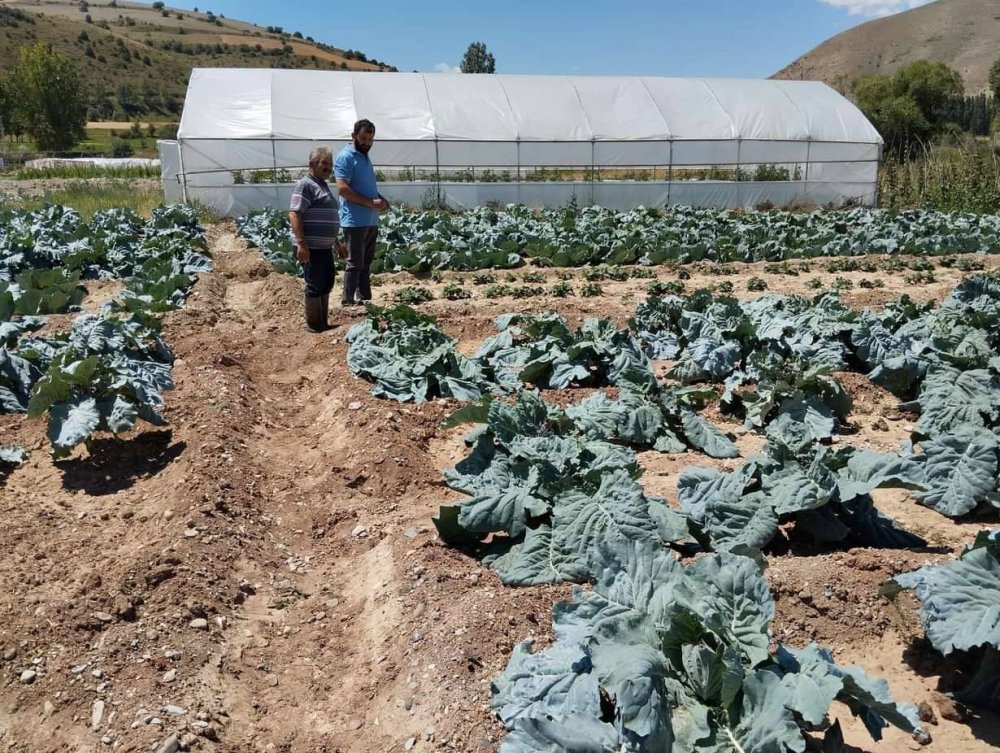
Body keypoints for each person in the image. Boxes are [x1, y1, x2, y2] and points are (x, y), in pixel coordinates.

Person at [289, 147, 346, 332]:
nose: (328, 168)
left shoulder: (322, 185)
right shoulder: (305, 184)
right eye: (324, 164)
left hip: (324, 247)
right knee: (315, 283)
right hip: (310, 247)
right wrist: (301, 243)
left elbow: (327, 217)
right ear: (312, 164)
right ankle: (315, 325)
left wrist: (337, 243)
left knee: (327, 280)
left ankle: (322, 322)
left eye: (330, 165)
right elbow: (295, 213)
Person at [335, 119, 390, 307]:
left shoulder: (365, 157)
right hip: (354, 221)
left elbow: (367, 188)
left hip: (370, 220)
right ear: (353, 136)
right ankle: (347, 301)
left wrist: (381, 200)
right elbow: (342, 188)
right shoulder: (346, 156)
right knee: (355, 263)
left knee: (365, 263)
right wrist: (370, 203)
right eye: (363, 138)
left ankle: (364, 299)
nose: (367, 142)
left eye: (370, 139)